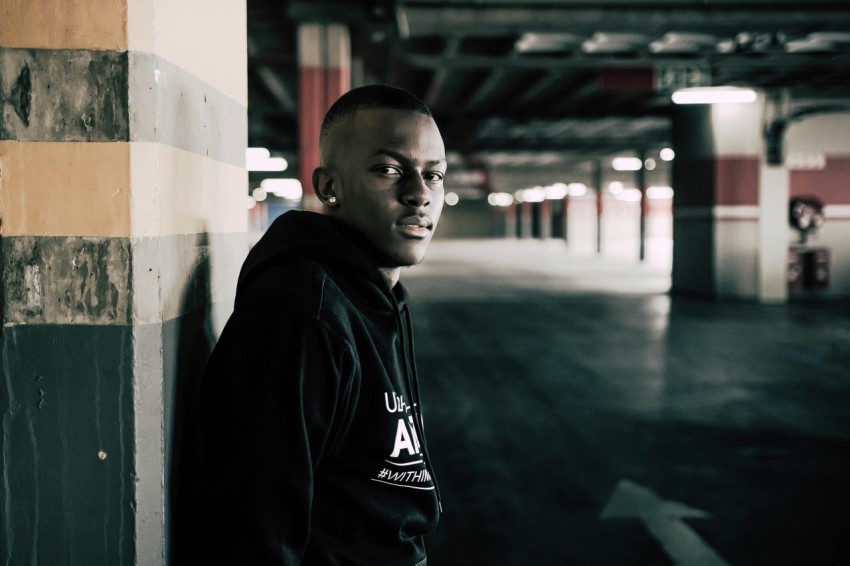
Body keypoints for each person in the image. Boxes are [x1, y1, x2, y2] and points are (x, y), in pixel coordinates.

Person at [197, 85, 446, 565]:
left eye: (433, 175)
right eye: (388, 170)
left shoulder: (381, 296)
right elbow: (258, 527)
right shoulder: (300, 310)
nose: (419, 193)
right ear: (329, 186)